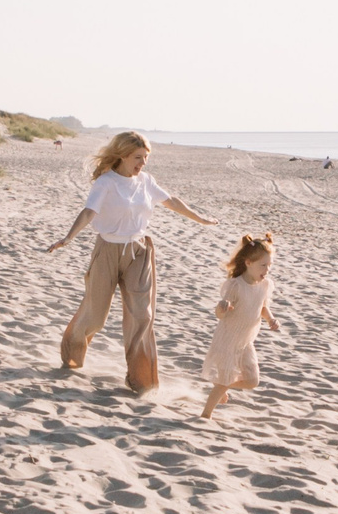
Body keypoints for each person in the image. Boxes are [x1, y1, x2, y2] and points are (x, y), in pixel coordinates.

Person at [45, 132, 215, 393]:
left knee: (142, 316)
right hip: (108, 250)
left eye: (146, 158)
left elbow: (170, 201)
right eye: (138, 157)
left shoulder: (146, 181)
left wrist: (199, 218)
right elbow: (89, 211)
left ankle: (142, 382)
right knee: (96, 316)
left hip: (139, 251)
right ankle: (71, 354)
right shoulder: (107, 182)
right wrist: (69, 236)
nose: (143, 163)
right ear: (123, 155)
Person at [200, 233, 282, 419]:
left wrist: (270, 319)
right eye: (263, 265)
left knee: (252, 380)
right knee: (224, 381)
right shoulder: (236, 286)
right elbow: (219, 314)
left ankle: (222, 387)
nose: (267, 269)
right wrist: (223, 307)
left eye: (269, 265)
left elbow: (263, 307)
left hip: (246, 341)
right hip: (228, 340)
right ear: (248, 263)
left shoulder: (265, 284)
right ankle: (205, 416)